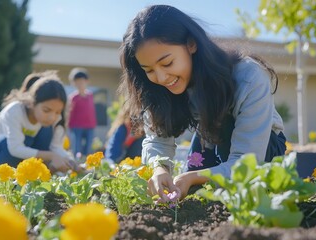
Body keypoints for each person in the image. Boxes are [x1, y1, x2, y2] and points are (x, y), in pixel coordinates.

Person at [118, 5, 287, 201]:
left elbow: (247, 162)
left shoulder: (249, 77)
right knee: (192, 195)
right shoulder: (158, 88)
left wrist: (194, 177)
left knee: (231, 192)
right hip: (210, 136)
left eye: (167, 63)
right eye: (149, 70)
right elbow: (157, 139)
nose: (162, 77)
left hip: (262, 149)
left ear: (191, 44)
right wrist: (159, 169)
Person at [0, 73, 74, 173]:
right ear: (32, 103)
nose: (52, 117)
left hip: (21, 155)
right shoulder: (15, 110)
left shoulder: (50, 120)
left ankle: (38, 177)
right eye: (46, 110)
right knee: (8, 142)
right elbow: (15, 148)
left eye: (58, 112)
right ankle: (3, 180)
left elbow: (55, 147)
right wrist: (51, 156)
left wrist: (72, 163)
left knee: (46, 131)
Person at [67, 68, 97, 158]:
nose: (80, 84)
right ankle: (77, 163)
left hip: (90, 126)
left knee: (88, 148)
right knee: (77, 148)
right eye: (77, 82)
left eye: (82, 81)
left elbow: (92, 111)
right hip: (77, 126)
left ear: (86, 81)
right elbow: (70, 113)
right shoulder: (73, 98)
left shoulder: (90, 95)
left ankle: (87, 164)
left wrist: (94, 123)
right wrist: (69, 126)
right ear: (74, 83)